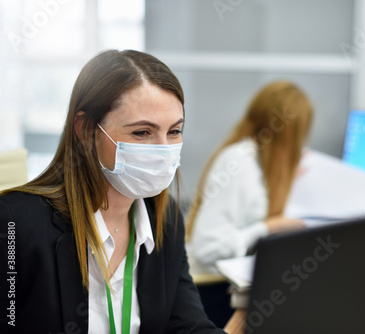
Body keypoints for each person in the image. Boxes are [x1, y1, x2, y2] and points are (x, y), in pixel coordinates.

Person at [0, 50, 227, 334]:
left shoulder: (165, 219)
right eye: (142, 132)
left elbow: (187, 324)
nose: (163, 150)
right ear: (85, 130)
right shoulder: (14, 224)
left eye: (174, 131)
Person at [186, 81, 314, 275]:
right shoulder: (238, 162)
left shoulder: (261, 161)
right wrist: (266, 228)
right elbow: (207, 250)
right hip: (211, 286)